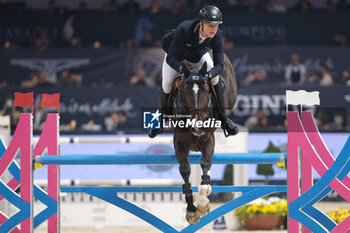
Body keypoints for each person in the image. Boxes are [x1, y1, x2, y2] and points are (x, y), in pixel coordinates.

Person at [148, 5, 239, 138]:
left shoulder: (217, 35)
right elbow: (171, 58)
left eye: (216, 25)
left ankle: (224, 119)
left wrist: (209, 74)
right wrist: (181, 69)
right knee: (167, 84)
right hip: (175, 55)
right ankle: (160, 121)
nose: (214, 29)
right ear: (201, 24)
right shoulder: (185, 28)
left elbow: (219, 65)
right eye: (210, 25)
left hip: (197, 54)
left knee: (215, 79)